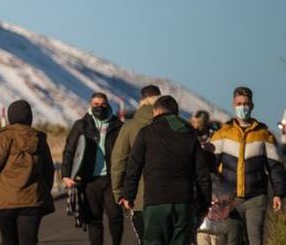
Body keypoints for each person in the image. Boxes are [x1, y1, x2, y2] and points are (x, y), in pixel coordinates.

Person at [119, 95, 212, 245]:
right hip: (184, 202)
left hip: (156, 201)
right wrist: (204, 204)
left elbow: (133, 167)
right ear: (176, 113)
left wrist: (128, 196)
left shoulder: (146, 133)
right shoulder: (189, 135)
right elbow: (202, 174)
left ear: (155, 112)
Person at [0, 100, 55, 245]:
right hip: (31, 200)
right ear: (30, 117)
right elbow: (49, 170)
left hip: (5, 202)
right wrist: (40, 192)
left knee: (9, 241)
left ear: (10, 116)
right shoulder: (39, 138)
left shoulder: (5, 136)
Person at [207, 86, 286, 245]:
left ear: (252, 106)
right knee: (231, 240)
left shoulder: (264, 134)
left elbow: (275, 166)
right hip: (229, 200)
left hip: (255, 198)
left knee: (255, 240)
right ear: (233, 105)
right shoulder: (223, 133)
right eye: (239, 103)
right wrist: (215, 192)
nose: (242, 107)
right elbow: (209, 166)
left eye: (246, 103)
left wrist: (279, 193)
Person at [61, 92, 124, 245]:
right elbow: (70, 150)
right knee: (93, 219)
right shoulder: (81, 125)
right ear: (90, 105)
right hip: (89, 180)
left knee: (115, 217)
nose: (99, 107)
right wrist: (66, 174)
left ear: (107, 104)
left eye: (102, 104)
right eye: (95, 104)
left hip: (111, 179)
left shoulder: (117, 125)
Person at [111, 84, 161, 237]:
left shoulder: (129, 127)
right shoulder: (175, 125)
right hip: (174, 197)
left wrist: (119, 193)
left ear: (141, 100)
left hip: (139, 198)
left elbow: (118, 161)